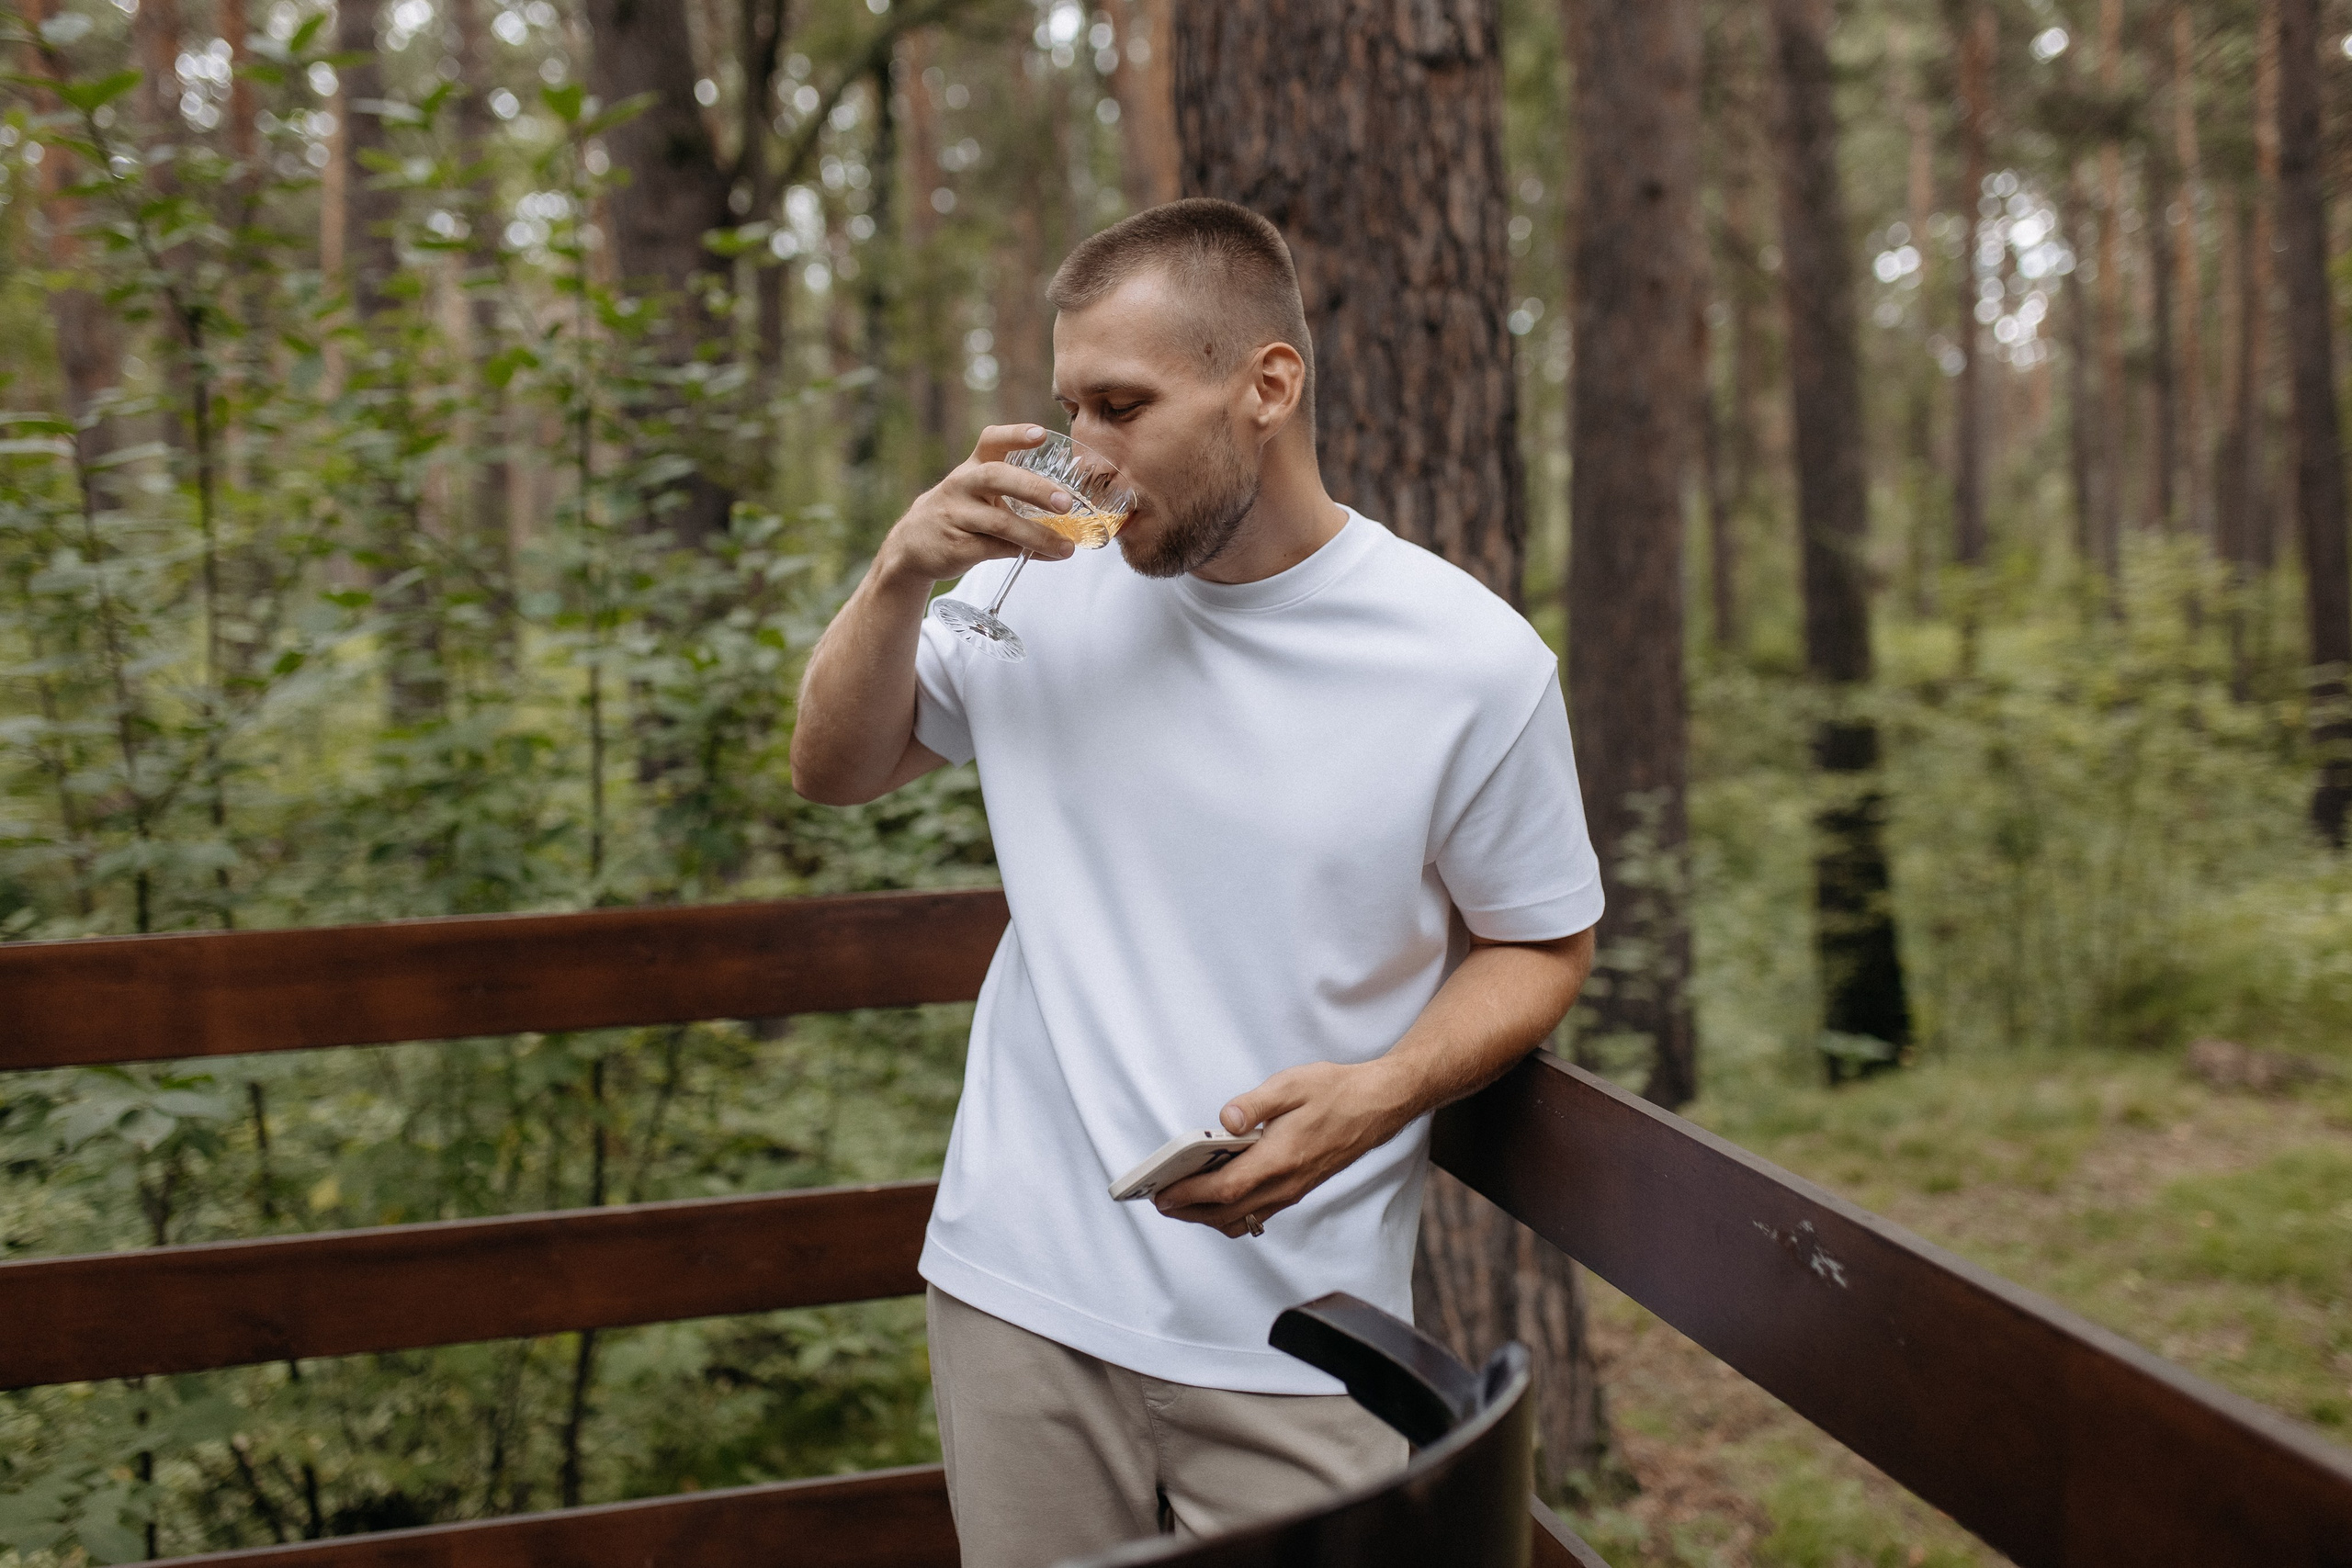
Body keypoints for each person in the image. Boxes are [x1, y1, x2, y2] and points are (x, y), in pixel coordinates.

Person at [789, 198, 1602, 1567]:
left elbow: (1543, 944)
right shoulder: (1035, 584)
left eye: (1123, 406)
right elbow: (833, 769)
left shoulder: (1469, 659)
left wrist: (1385, 1089)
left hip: (1301, 1320)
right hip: (1016, 1292)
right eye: (1068, 407)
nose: (1084, 455)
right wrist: (894, 576)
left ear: (1267, 386)